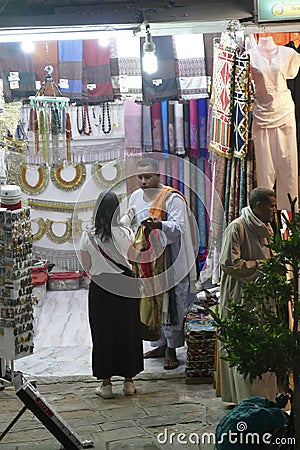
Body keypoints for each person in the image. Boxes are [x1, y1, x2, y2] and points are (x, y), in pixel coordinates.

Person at [128, 157, 198, 370]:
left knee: (172, 303)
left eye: (148, 176)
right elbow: (131, 222)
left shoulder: (172, 198)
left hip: (169, 258)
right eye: (140, 177)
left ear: (158, 175)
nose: (143, 181)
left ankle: (172, 348)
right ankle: (158, 343)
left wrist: (160, 224)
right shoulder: (135, 197)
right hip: (147, 260)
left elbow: (180, 228)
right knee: (151, 301)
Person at [80, 191, 143, 399]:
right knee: (128, 331)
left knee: (103, 333)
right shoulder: (125, 232)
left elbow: (86, 266)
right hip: (126, 286)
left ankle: (106, 385)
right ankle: (129, 383)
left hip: (101, 287)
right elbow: (134, 257)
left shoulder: (88, 235)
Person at [217, 187, 278, 404]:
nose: (274, 210)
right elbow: (229, 264)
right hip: (239, 296)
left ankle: (265, 398)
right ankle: (245, 399)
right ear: (258, 206)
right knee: (242, 347)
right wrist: (265, 266)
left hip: (262, 296)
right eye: (271, 205)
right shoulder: (237, 228)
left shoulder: (267, 228)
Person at [247, 35, 300, 211]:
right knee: (265, 167)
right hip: (261, 112)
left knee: (288, 163)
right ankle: (266, 212)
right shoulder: (250, 55)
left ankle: (290, 214)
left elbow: (291, 73)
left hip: (284, 110)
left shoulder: (288, 53)